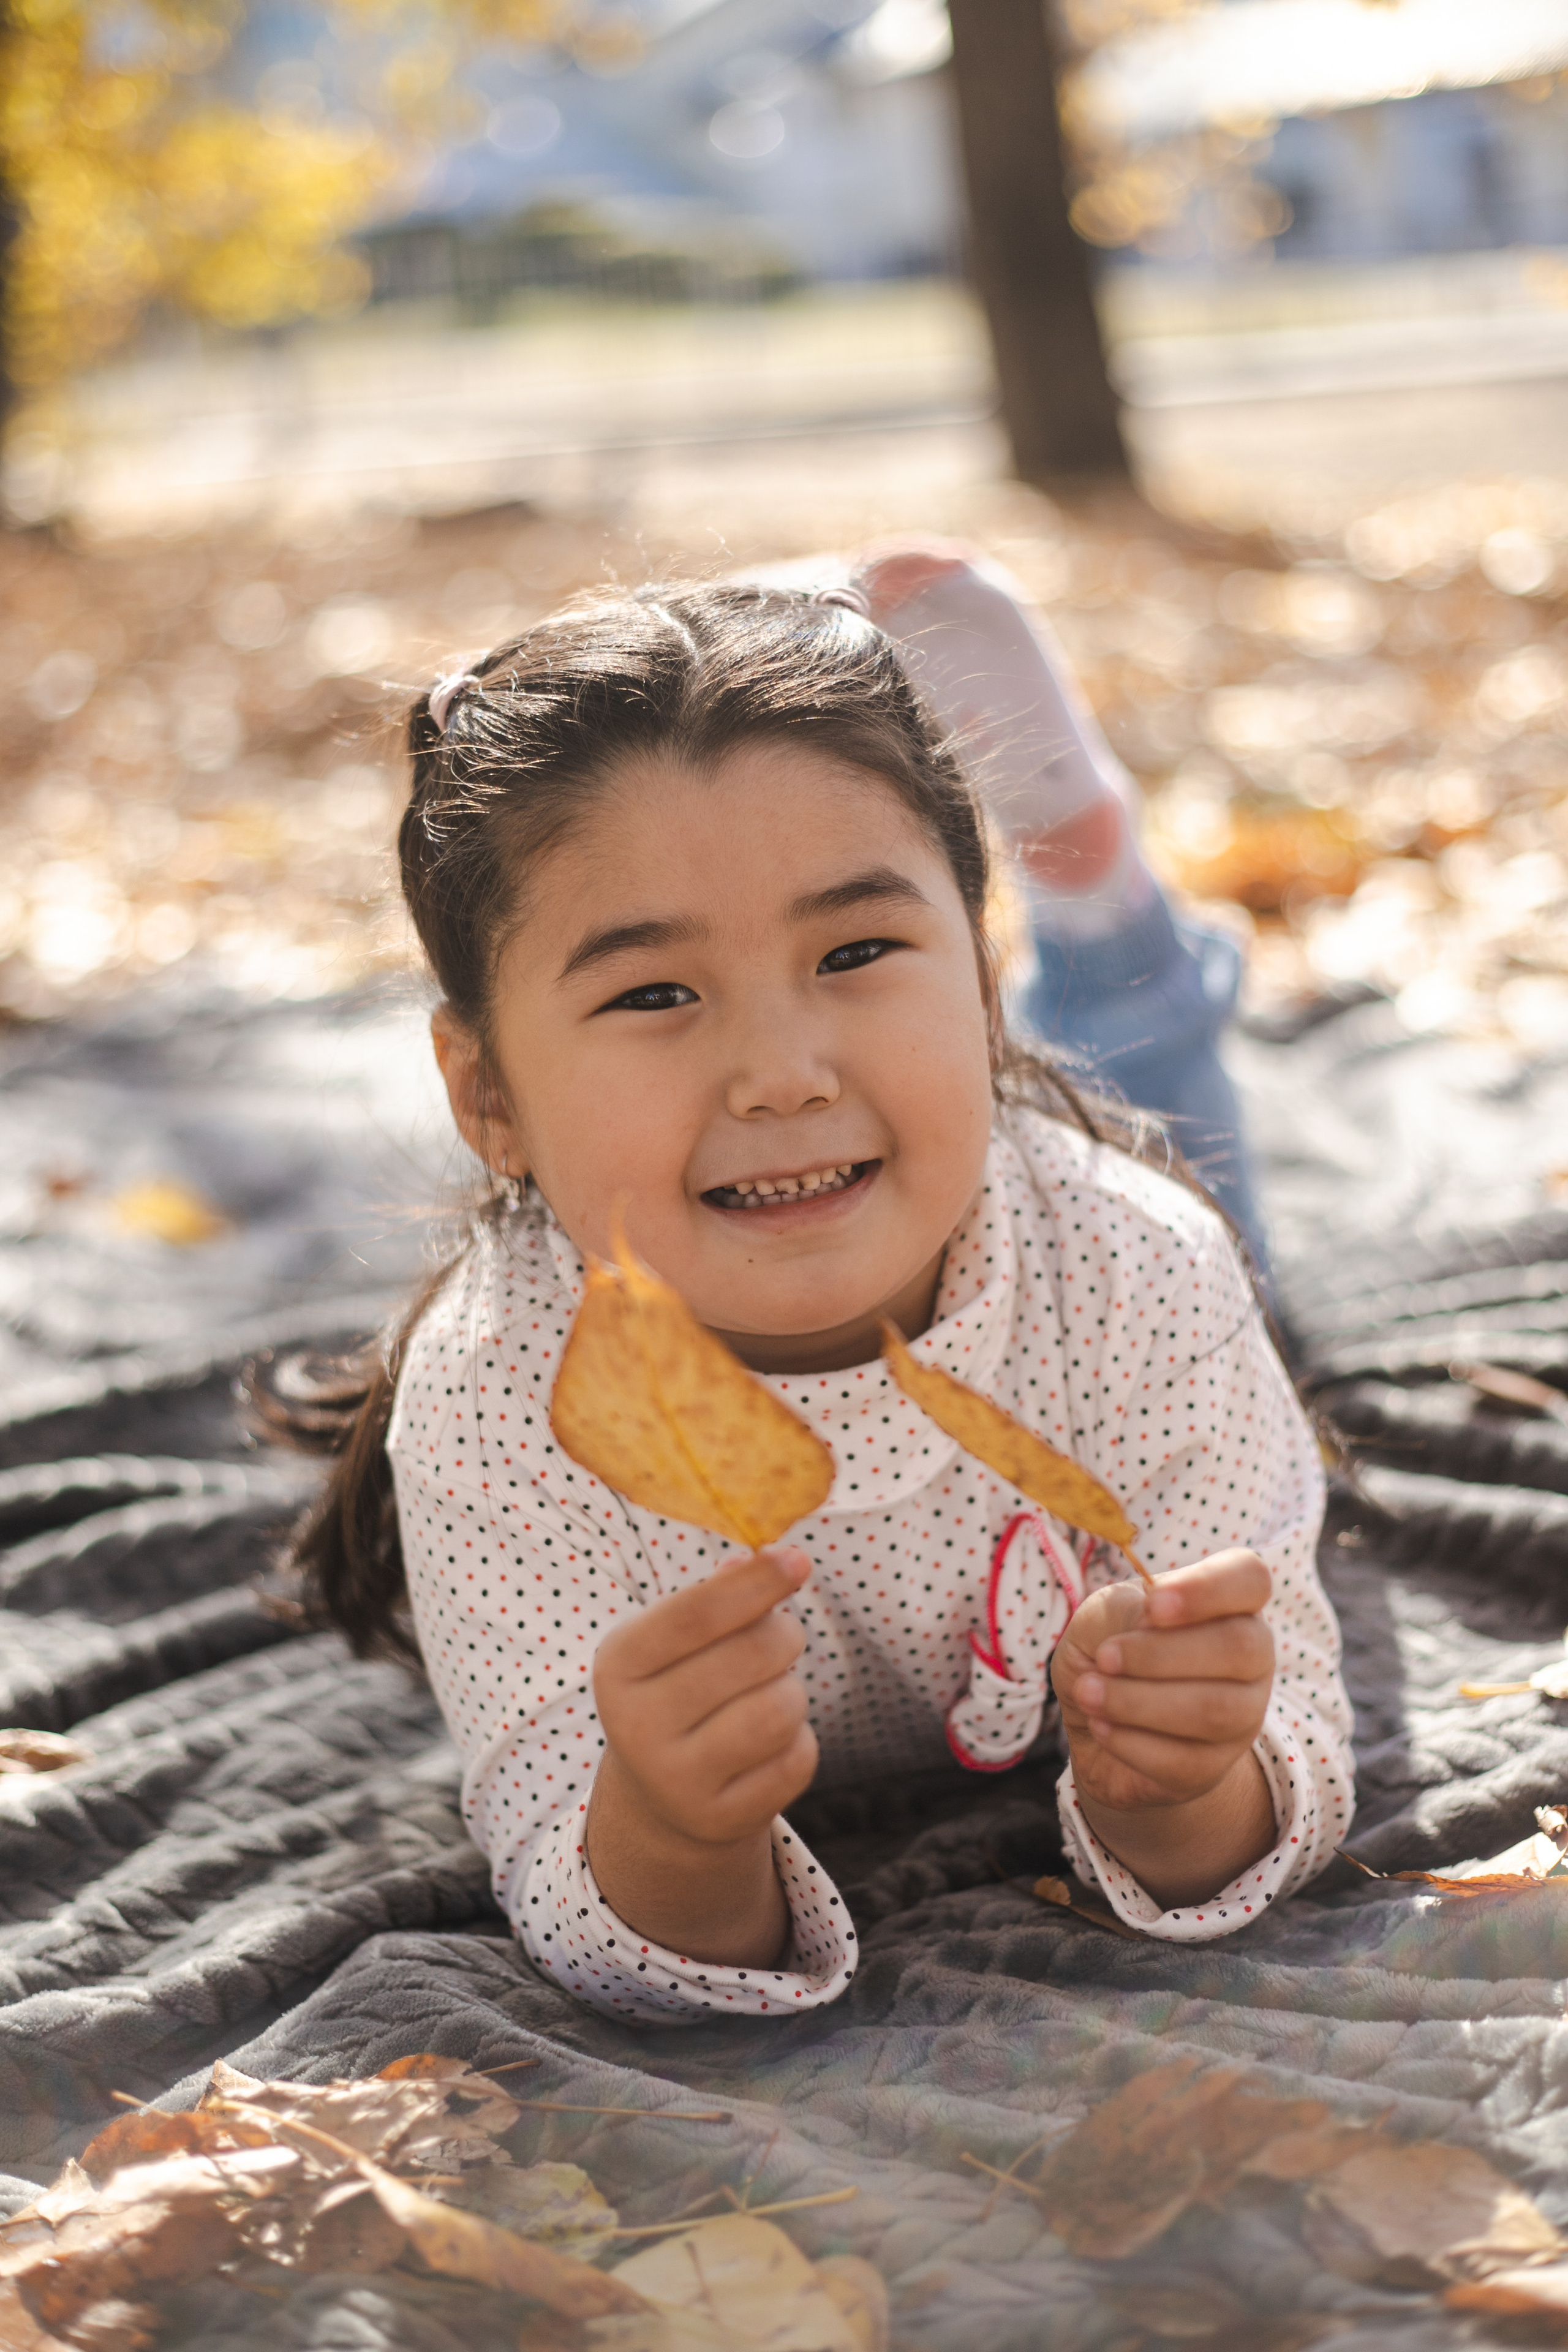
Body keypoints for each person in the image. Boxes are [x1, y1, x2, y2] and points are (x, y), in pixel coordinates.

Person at [288, 568, 1352, 2025]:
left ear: (975, 986)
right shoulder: (497, 1403)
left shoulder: (1135, 1271)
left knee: (1205, 1181)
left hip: (1104, 1206)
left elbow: (1286, 1727)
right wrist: (671, 1834)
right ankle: (1100, 940)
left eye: (856, 952)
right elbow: (574, 1876)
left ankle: (1108, 927)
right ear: (488, 1095)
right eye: (655, 994)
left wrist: (1183, 1786)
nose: (782, 1069)